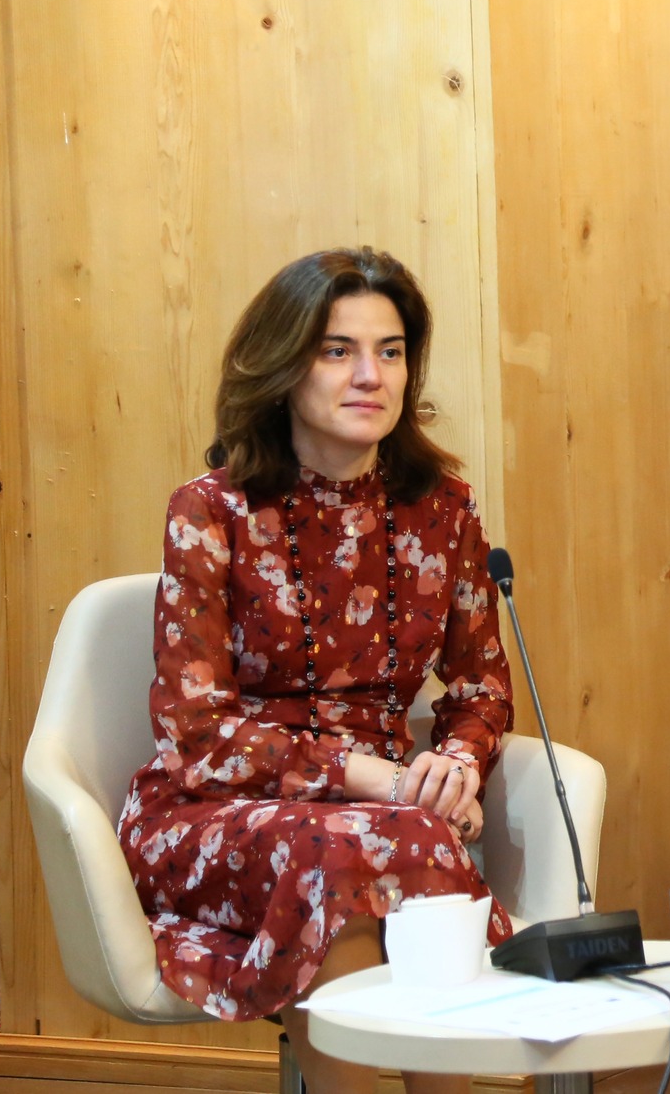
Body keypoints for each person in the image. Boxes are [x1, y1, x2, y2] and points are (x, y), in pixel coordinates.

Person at [119, 247, 513, 1094]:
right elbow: (197, 734)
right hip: (215, 807)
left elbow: (480, 685)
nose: (370, 374)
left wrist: (456, 763)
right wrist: (380, 779)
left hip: (387, 814)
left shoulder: (444, 510)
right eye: (338, 350)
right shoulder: (210, 510)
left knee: (389, 839)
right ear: (283, 364)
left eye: (390, 350)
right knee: (344, 849)